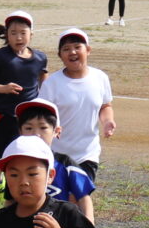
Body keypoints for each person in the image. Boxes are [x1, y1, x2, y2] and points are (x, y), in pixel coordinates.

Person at [0, 10, 47, 180]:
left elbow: (44, 80)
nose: (18, 37)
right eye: (13, 33)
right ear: (7, 35)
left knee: (26, 155)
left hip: (28, 118)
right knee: (2, 157)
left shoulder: (39, 58)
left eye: (23, 33)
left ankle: (15, 190)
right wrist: (4, 88)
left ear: (31, 34)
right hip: (3, 117)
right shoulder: (0, 56)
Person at [39, 27, 115, 179]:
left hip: (88, 154)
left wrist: (108, 121)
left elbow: (105, 106)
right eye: (66, 49)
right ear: (60, 55)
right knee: (59, 200)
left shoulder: (100, 78)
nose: (72, 52)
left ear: (88, 50)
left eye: (77, 47)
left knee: (80, 197)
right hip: (56, 153)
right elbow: (41, 117)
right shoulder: (52, 83)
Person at [8, 99, 96, 222]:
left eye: (43, 128)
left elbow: (83, 197)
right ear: (20, 131)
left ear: (56, 131)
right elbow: (10, 201)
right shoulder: (15, 165)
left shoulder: (66, 164)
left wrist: (89, 224)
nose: (36, 134)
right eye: (28, 128)